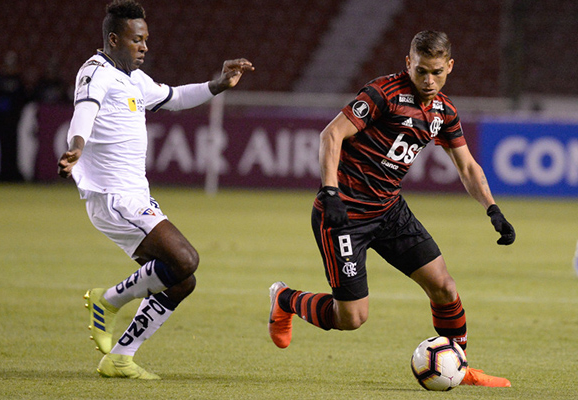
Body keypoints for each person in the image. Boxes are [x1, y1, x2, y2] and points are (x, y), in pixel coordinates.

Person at [268, 30, 515, 387]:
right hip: (345, 214)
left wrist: (492, 209)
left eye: (437, 72)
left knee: (444, 287)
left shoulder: (444, 111)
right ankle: (285, 299)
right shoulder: (383, 94)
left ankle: (459, 369)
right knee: (352, 317)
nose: (429, 81)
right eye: (421, 71)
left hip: (389, 210)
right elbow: (331, 135)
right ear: (407, 64)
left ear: (450, 66)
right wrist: (331, 192)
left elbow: (467, 167)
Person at [57, 0, 253, 379]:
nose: (144, 46)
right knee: (186, 259)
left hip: (136, 196)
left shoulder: (133, 78)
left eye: (146, 39)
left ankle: (120, 357)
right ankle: (108, 300)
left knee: (182, 281)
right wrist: (77, 148)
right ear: (114, 39)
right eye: (136, 40)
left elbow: (175, 97)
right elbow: (85, 111)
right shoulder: (95, 72)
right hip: (112, 196)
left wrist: (219, 84)